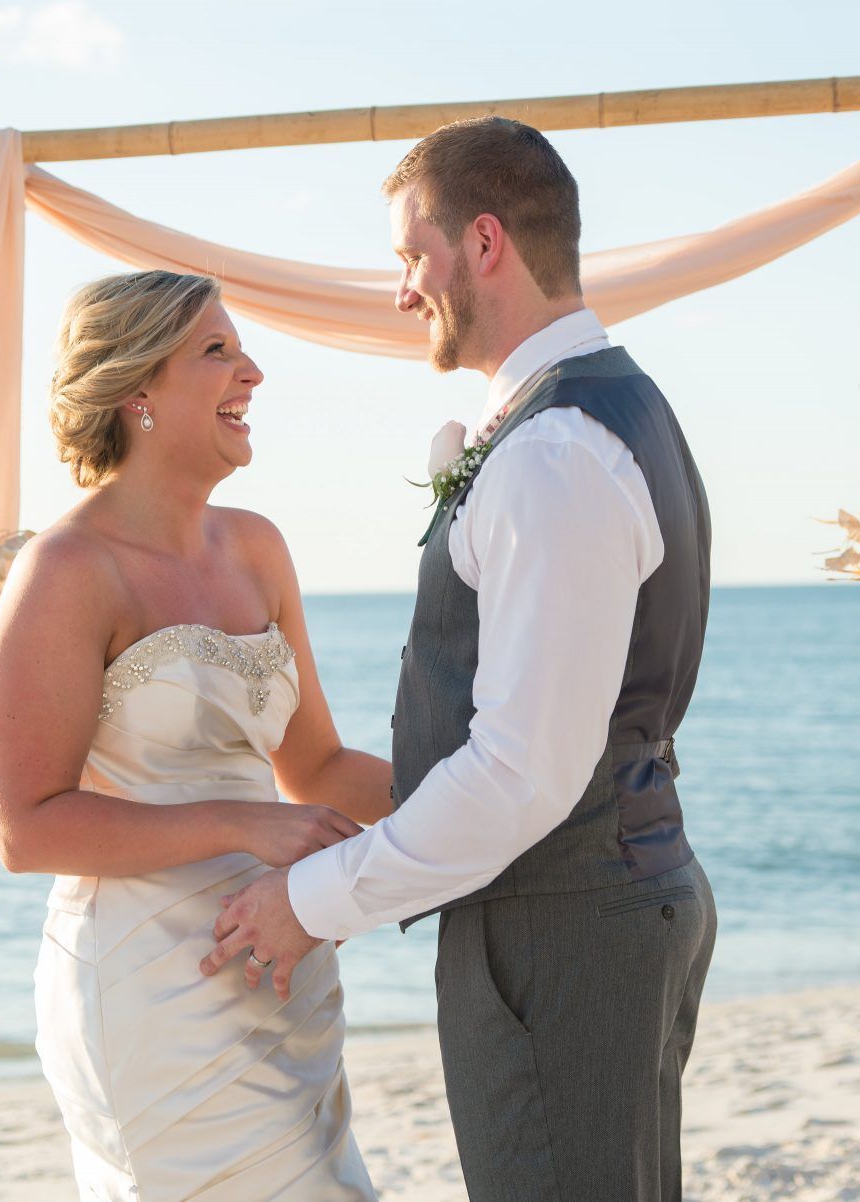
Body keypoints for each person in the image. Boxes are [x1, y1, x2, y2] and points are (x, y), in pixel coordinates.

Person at [206, 117, 719, 1202]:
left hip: (561, 927)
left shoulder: (555, 454)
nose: (402, 291)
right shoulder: (592, 414)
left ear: (483, 242)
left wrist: (315, 897)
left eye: (411, 256)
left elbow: (521, 772)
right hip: (593, 907)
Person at [0, 269, 387, 1201]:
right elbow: (24, 828)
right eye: (217, 351)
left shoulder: (257, 547)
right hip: (148, 991)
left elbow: (318, 764)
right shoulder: (67, 569)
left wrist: (488, 799)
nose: (252, 371)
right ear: (137, 392)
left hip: (278, 965)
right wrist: (243, 827)